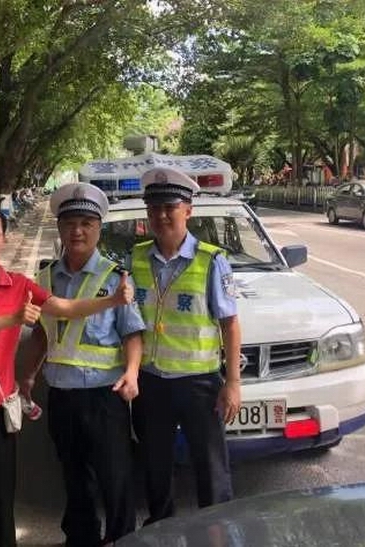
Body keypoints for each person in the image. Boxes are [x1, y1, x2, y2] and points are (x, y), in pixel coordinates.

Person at [0, 201, 134, 547]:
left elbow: (65, 308)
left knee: (1, 496)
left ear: (4, 238)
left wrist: (111, 301)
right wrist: (13, 318)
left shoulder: (19, 284)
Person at [20, 184, 145, 546]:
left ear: (98, 229)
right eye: (70, 222)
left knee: (115, 477)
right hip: (62, 396)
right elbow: (43, 335)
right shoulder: (44, 281)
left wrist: (132, 373)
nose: (78, 230)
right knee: (74, 478)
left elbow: (132, 333)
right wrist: (27, 375)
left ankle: (123, 539)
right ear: (59, 228)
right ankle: (82, 539)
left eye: (87, 223)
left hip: (105, 397)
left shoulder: (114, 278)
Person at [129, 166, 242, 525]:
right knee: (155, 464)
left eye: (170, 207)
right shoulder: (137, 258)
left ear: (188, 210)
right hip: (152, 382)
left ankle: (217, 529)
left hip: (199, 384)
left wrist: (233, 383)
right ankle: (161, 527)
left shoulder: (211, 260)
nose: (162, 216)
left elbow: (230, 323)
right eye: (154, 209)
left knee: (211, 466)